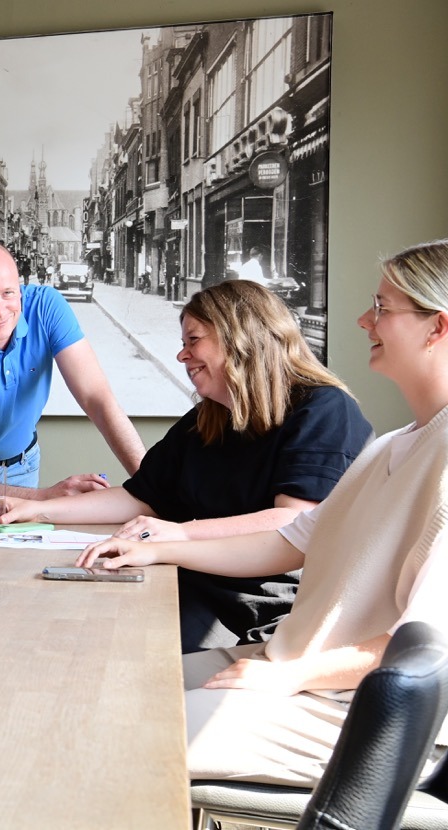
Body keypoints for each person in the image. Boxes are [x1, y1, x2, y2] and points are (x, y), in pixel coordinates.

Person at [76, 238, 448, 788]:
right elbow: (288, 540)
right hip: (298, 669)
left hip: (353, 706)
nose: (363, 319)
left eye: (383, 308)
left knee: (111, 733)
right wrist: (154, 548)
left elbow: (426, 649)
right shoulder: (395, 445)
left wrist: (291, 676)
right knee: (100, 689)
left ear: (437, 327)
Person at [0, 280, 372, 651]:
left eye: (193, 341)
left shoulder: (324, 410)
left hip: (276, 613)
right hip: (195, 587)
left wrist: (178, 534)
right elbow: (139, 497)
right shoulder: (206, 420)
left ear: (240, 337)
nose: (182, 356)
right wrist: (38, 509)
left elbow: (292, 522)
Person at [0, 241, 146, 507]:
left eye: (8, 293)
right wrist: (44, 498)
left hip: (21, 466)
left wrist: (151, 484)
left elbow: (97, 397)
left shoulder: (46, 307)